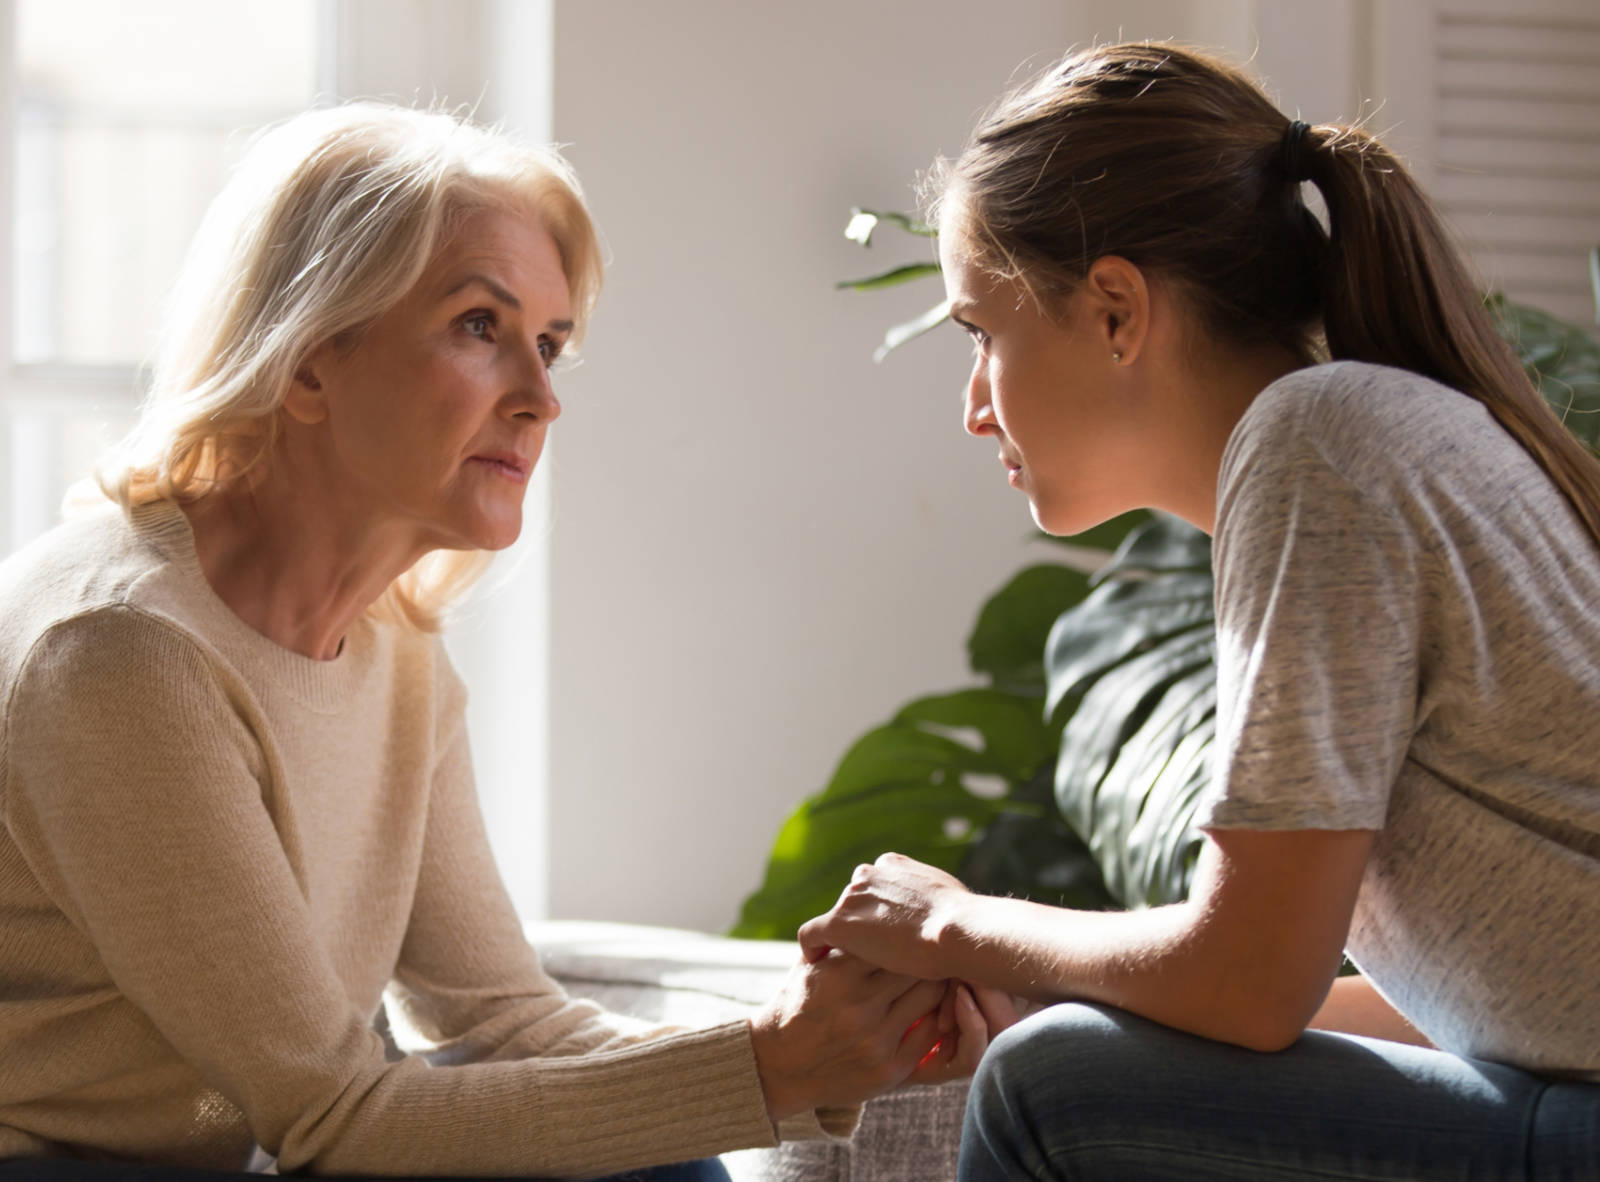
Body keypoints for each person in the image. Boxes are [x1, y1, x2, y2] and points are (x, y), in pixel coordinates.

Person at [0, 102, 1013, 1181]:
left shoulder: (392, 652)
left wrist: (834, 1056)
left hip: (236, 1157)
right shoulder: (117, 652)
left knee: (651, 1163)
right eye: (478, 326)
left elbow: (506, 1023)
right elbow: (336, 1120)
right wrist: (769, 1067)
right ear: (304, 361)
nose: (540, 400)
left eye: (549, 344)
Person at [797, 42, 1600, 1181]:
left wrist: (949, 922)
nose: (973, 406)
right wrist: (1061, 990)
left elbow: (1248, 979)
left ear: (1117, 311)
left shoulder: (1316, 447)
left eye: (981, 332)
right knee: (1065, 1057)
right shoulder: (1373, 433)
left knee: (1047, 1090)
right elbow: (1460, 1010)